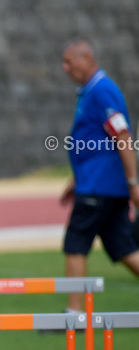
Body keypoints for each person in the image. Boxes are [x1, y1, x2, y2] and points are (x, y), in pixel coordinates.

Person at [59, 38, 139, 313]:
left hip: (99, 188)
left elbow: (123, 136)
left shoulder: (102, 91)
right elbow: (94, 144)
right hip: (98, 184)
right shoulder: (90, 91)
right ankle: (75, 312)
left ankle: (74, 314)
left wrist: (133, 183)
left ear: (86, 59)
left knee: (76, 243)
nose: (65, 67)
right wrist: (75, 181)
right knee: (124, 248)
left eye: (69, 61)